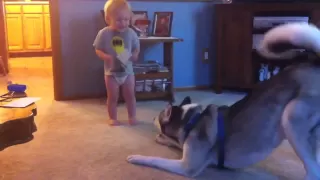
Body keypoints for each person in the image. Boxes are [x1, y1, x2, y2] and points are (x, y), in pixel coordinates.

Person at [93, 0, 140, 126]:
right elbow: (97, 49)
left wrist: (135, 54)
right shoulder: (104, 33)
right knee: (113, 97)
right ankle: (112, 117)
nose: (123, 23)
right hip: (111, 72)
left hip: (128, 71)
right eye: (119, 20)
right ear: (108, 19)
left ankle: (132, 116)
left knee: (130, 96)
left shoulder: (131, 33)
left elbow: (136, 47)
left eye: (126, 19)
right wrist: (106, 57)